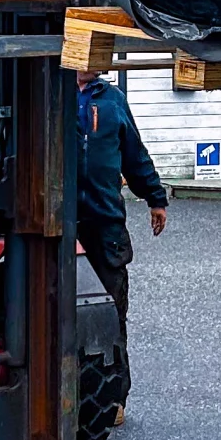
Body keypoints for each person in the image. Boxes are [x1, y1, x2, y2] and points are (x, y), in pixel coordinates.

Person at [75, 66, 167, 327]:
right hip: (59, 220)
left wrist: (155, 197)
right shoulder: (50, 92)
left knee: (111, 309)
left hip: (105, 218)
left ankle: (113, 365)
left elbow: (134, 153)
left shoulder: (113, 99)